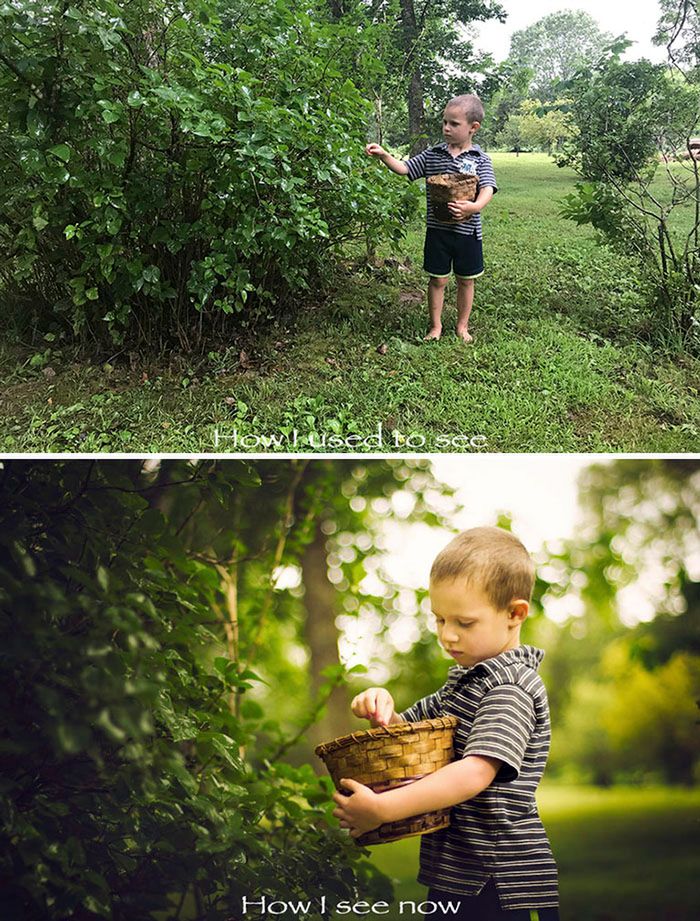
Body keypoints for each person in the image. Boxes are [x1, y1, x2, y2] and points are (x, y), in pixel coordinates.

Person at [332, 527, 560, 921]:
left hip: (498, 879)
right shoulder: (466, 681)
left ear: (514, 613)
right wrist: (382, 710)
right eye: (439, 619)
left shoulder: (510, 687)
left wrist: (384, 809)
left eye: (464, 622)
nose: (447, 635)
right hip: (459, 871)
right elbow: (412, 736)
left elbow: (474, 773)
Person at [365, 94, 497, 343]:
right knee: (437, 279)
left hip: (468, 234)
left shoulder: (480, 160)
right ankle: (435, 326)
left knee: (465, 281)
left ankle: (462, 326)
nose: (446, 128)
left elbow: (488, 188)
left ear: (473, 127)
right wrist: (384, 155)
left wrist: (473, 207)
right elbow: (406, 169)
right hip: (438, 232)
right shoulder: (433, 154)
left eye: (454, 124)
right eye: (445, 122)